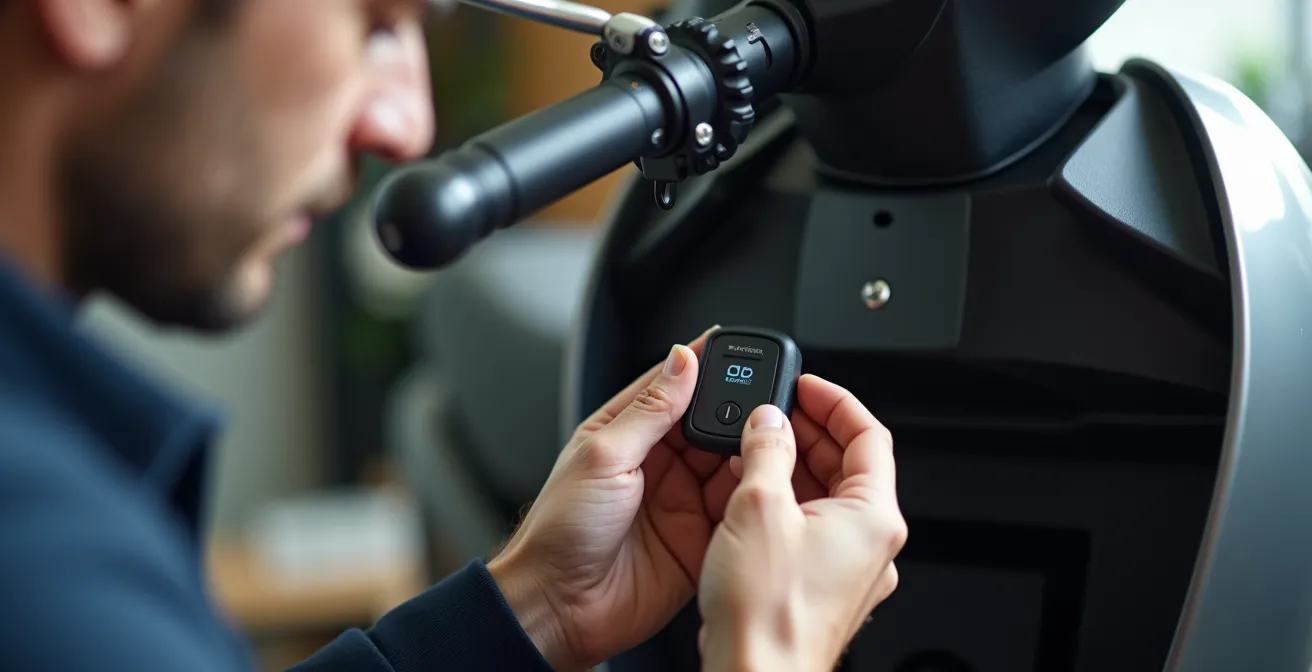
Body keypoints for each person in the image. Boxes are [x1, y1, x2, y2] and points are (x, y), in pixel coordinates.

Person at [0, 0, 908, 670]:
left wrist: (535, 608)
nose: (407, 127)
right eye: (376, 25)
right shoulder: (40, 566)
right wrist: (769, 650)